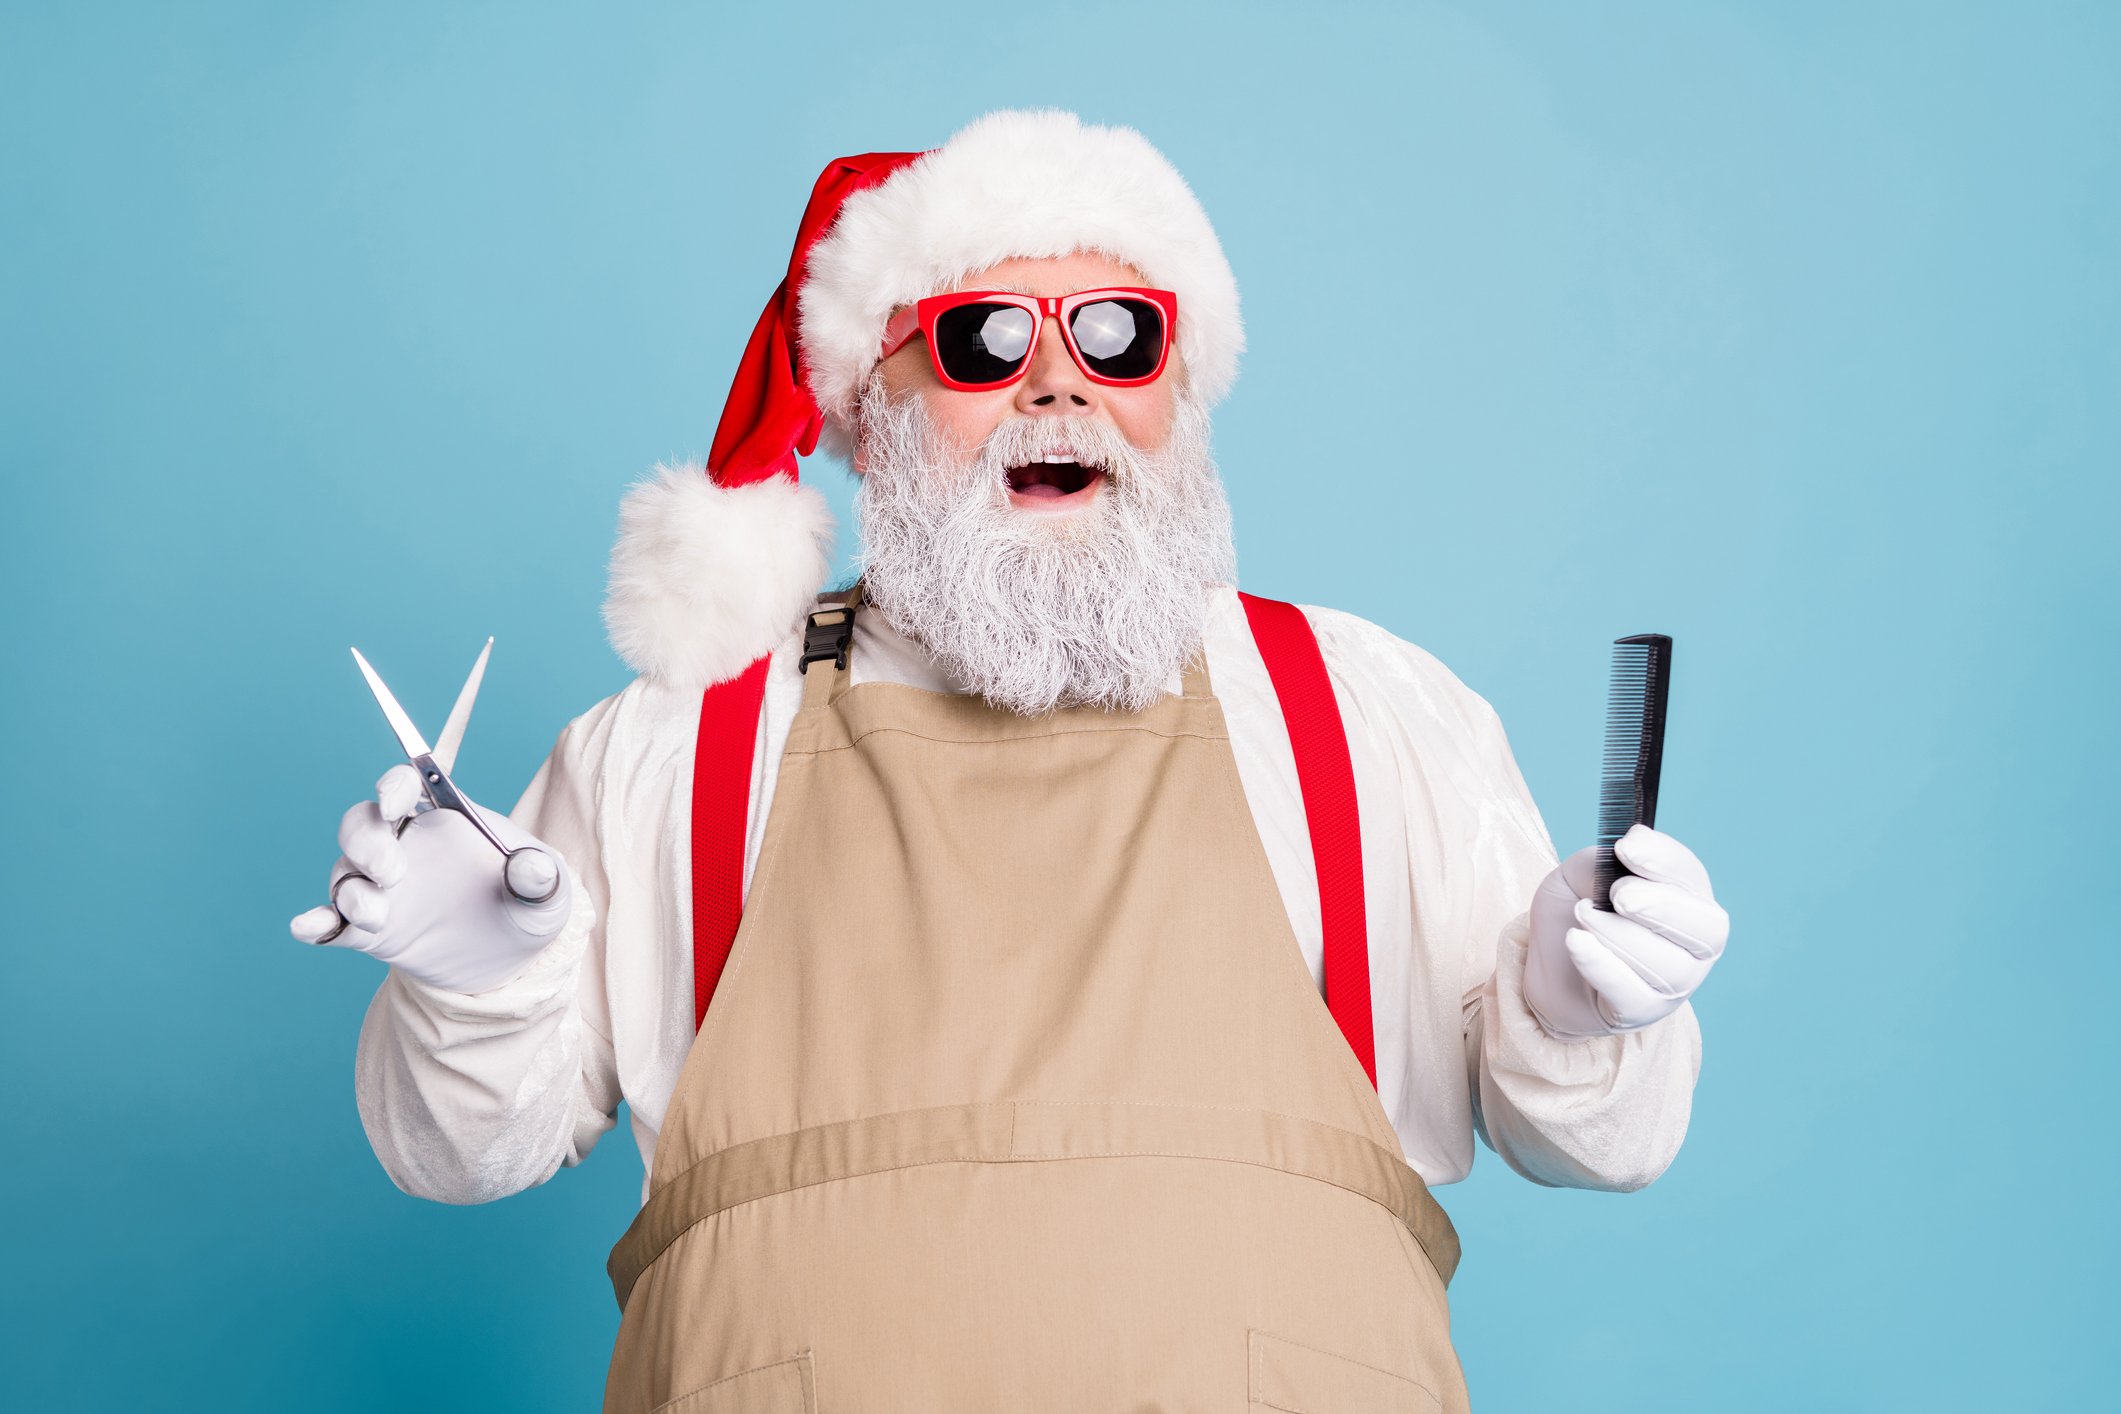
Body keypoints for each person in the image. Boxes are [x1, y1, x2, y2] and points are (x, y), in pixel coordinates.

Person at [291, 109, 1729, 1413]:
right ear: (872, 403)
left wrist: (1574, 1003)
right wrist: (476, 987)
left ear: (1181, 387)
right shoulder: (682, 738)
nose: (1058, 385)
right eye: (983, 337)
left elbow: (1603, 1143)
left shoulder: (1365, 710)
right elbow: (457, 1153)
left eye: (1118, 335)